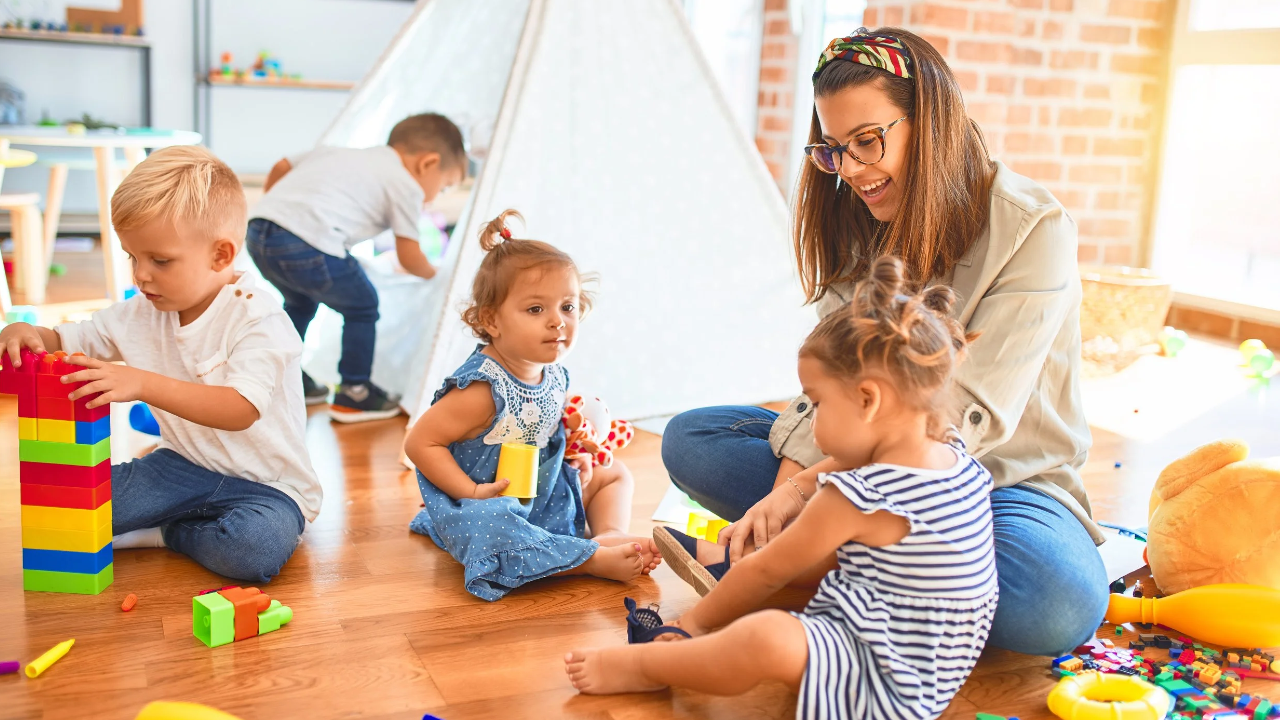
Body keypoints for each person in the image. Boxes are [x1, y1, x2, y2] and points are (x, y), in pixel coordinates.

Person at [659, 27, 1107, 656]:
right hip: (860, 470)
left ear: (931, 119)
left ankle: (805, 571)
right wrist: (790, 486)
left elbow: (955, 424)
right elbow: (832, 386)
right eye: (835, 149)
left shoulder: (1035, 229)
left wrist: (799, 496)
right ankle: (849, 574)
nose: (853, 171)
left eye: (868, 142)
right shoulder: (858, 216)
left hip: (1001, 485)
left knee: (1053, 604)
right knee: (692, 439)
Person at [568, 258, 997, 720]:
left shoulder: (859, 495)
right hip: (932, 678)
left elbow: (764, 572)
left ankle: (653, 666)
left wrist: (690, 624)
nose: (812, 418)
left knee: (765, 637)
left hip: (880, 678)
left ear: (868, 400)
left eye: (816, 404)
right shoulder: (956, 458)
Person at [0, 146, 321, 582]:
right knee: (73, 505)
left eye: (160, 261)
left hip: (268, 486)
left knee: (252, 551)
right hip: (180, 465)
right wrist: (26, 334)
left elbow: (239, 409)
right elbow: (71, 340)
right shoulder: (140, 312)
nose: (141, 275)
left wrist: (141, 384)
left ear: (221, 256)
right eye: (133, 257)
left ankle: (171, 532)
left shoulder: (258, 318)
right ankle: (176, 520)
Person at [403, 210, 661, 601]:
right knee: (493, 526)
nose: (558, 322)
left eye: (568, 307)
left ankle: (607, 533)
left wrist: (580, 457)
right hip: (490, 501)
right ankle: (588, 558)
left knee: (615, 474)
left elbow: (551, 428)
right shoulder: (482, 389)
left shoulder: (553, 374)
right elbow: (420, 444)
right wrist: (471, 491)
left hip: (544, 490)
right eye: (536, 310)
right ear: (491, 320)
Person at [247, 112, 466, 422]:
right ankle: (355, 391)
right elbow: (409, 255)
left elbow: (282, 165)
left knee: (300, 303)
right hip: (308, 242)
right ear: (427, 164)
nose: (436, 197)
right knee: (363, 305)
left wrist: (277, 209)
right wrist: (442, 277)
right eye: (444, 187)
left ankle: (278, 377)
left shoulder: (340, 152)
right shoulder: (407, 184)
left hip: (260, 232)